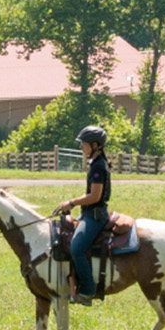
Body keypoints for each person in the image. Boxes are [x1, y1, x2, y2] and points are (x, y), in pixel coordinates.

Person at [51, 126, 111, 306]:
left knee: (77, 248)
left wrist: (71, 203)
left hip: (95, 217)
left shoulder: (99, 166)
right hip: (89, 214)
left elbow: (95, 196)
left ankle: (87, 290)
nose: (81, 148)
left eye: (84, 144)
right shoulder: (96, 163)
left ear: (95, 145)